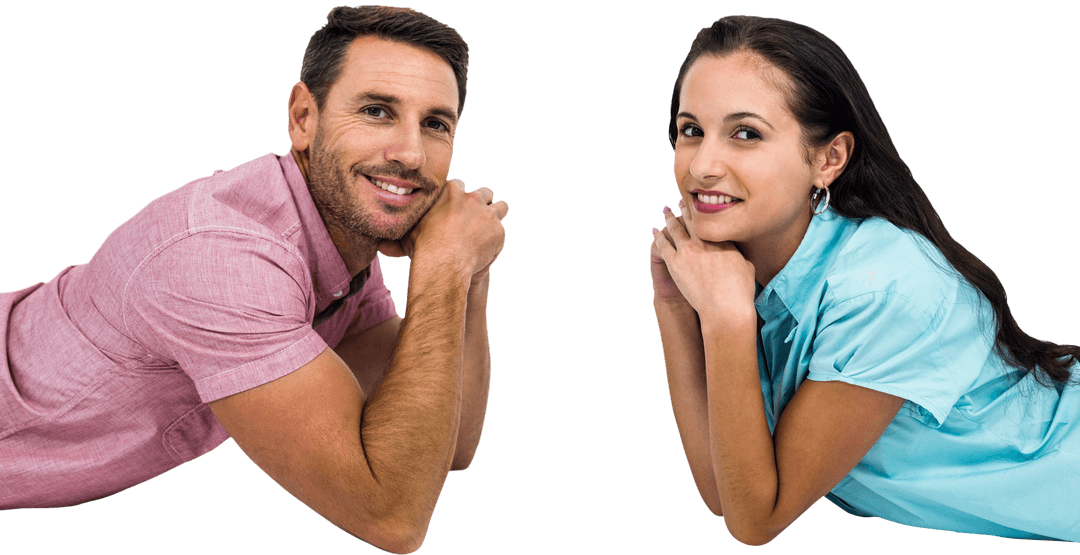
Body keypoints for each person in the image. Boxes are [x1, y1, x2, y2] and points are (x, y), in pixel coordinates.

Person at [0, 5, 506, 553]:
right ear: (303, 119)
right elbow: (391, 517)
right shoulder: (224, 262)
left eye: (435, 123)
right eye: (377, 111)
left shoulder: (337, 242)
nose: (410, 153)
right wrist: (443, 269)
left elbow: (446, 443)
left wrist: (469, 273)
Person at [650, 15, 1080, 545]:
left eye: (746, 133)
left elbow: (757, 519)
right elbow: (726, 489)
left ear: (829, 159)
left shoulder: (884, 286)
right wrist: (675, 308)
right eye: (691, 130)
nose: (703, 166)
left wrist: (724, 321)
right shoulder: (737, 274)